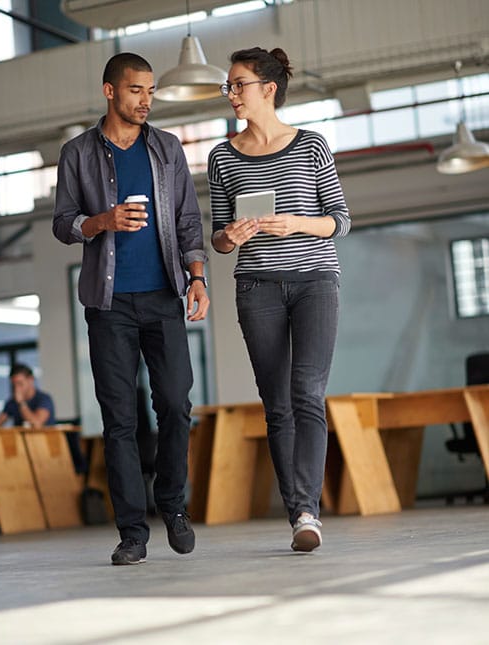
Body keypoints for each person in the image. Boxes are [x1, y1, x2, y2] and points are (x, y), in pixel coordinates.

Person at [53, 52, 209, 565]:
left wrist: (197, 278)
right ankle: (132, 533)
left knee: (175, 403)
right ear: (109, 91)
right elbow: (63, 224)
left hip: (164, 296)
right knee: (119, 419)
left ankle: (173, 504)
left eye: (150, 91)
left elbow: (188, 219)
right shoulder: (77, 153)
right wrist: (103, 222)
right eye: (136, 90)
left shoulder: (166, 148)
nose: (146, 100)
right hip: (108, 302)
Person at [208, 47, 350, 552]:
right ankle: (298, 513)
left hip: (315, 281)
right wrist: (232, 235)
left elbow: (340, 219)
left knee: (308, 392)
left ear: (268, 89)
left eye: (238, 84)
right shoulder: (221, 156)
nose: (231, 94)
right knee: (277, 404)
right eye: (229, 86)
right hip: (257, 286)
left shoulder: (312, 145)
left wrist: (295, 223)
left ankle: (309, 511)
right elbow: (218, 240)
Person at [0, 363, 56, 532]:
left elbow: (36, 422)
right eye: (14, 384)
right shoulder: (11, 402)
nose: (17, 388)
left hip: (41, 454)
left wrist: (22, 404)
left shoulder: (44, 399)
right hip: (19, 452)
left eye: (20, 383)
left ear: (31, 380)